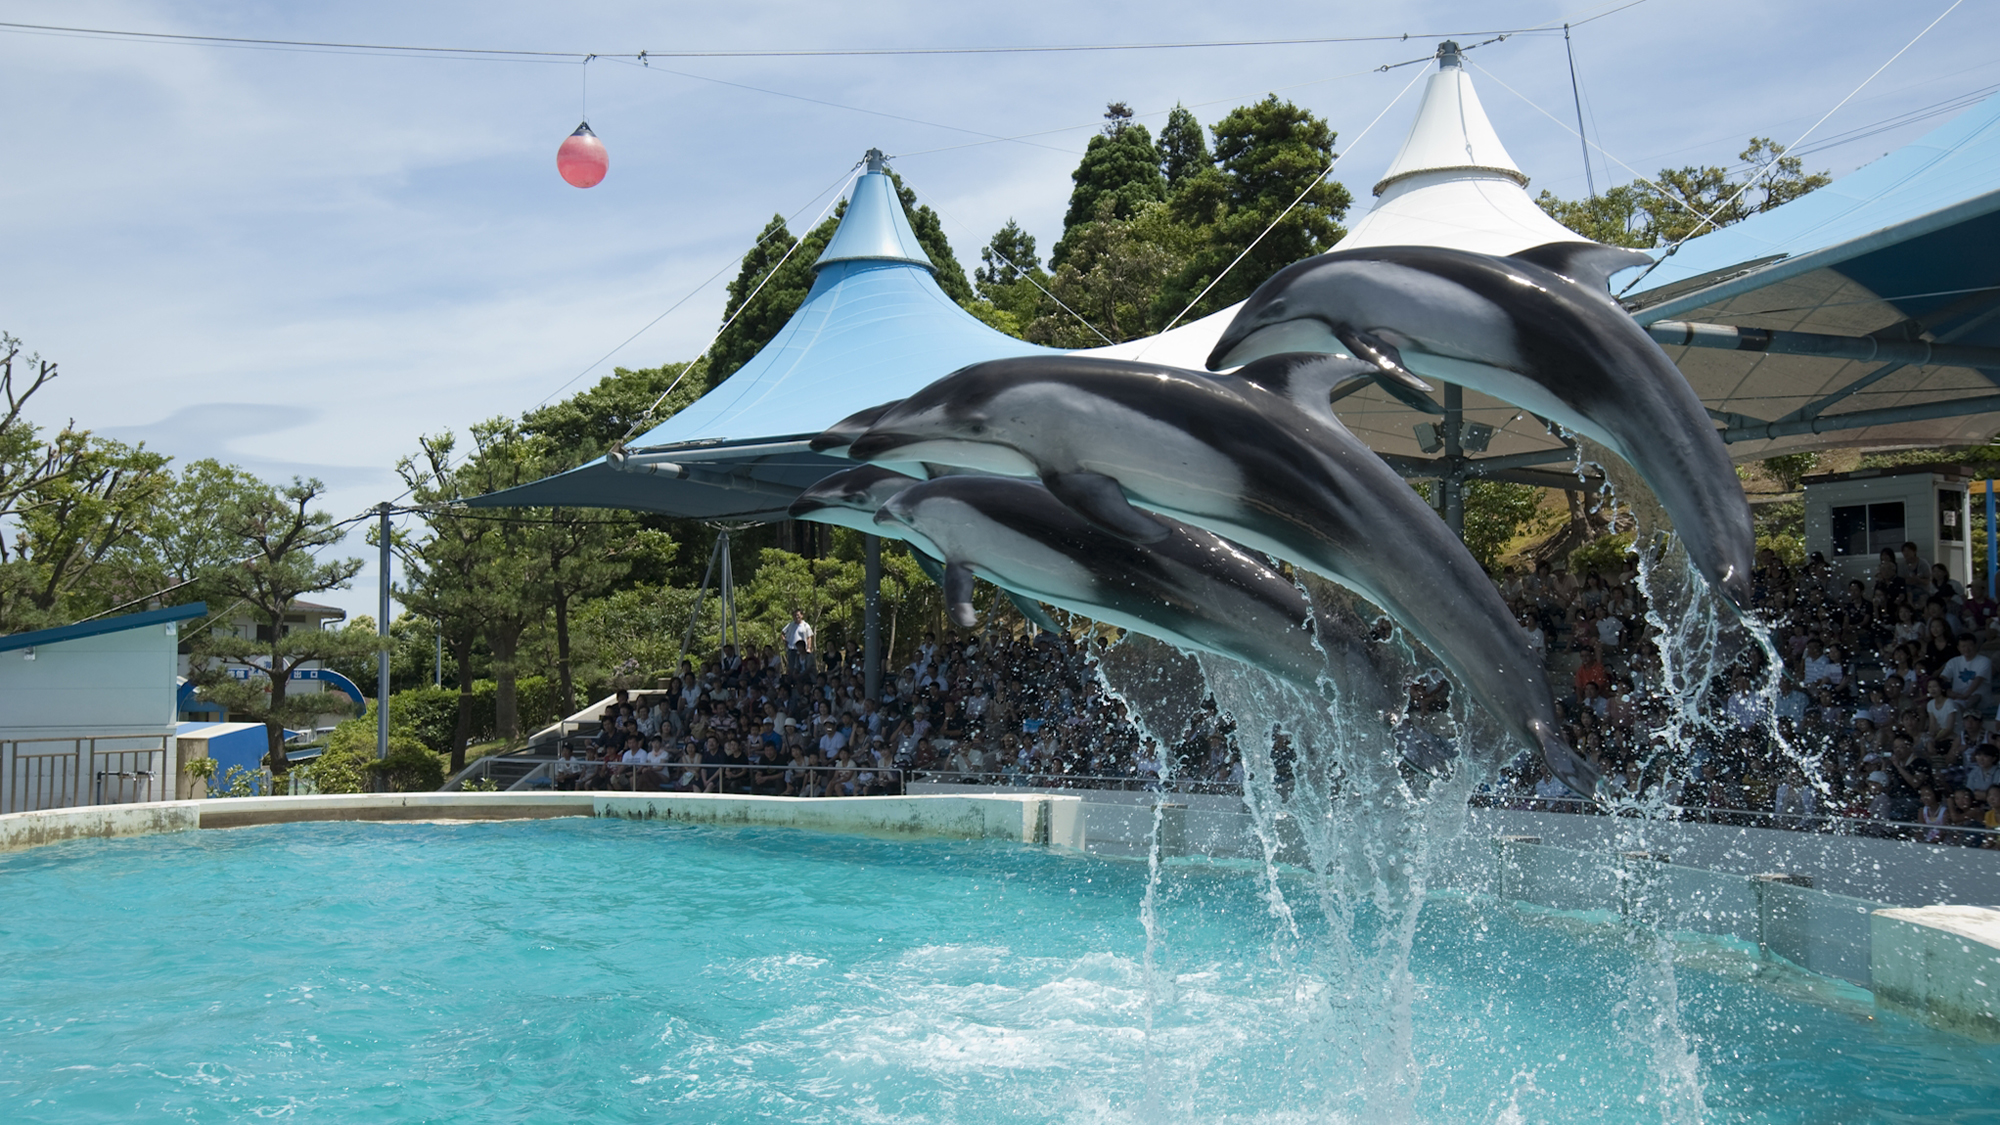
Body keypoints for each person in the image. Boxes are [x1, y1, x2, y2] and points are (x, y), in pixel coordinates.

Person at [1940, 633, 1993, 714]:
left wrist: (1965, 695)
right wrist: (1947, 691)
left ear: (1975, 646)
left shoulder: (1984, 661)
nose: (1967, 649)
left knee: (1973, 699)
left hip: (1977, 698)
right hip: (1957, 698)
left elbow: (1978, 680)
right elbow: (1942, 678)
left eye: (1969, 646)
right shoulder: (1953, 662)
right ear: (1958, 648)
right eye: (1963, 646)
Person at [783, 610, 815, 674]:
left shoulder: (806, 625)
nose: (796, 617)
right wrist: (785, 641)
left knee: (802, 667)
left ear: (802, 615)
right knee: (792, 667)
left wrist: (809, 648)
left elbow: (809, 637)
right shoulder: (790, 625)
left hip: (802, 650)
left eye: (798, 615)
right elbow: (782, 633)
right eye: (794, 615)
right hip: (792, 649)